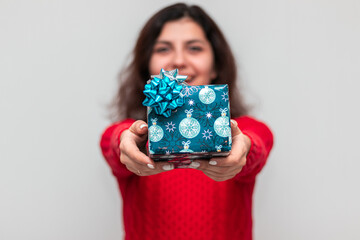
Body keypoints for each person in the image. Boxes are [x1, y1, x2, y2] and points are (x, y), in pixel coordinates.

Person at [100, 3, 273, 240]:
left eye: (194, 48)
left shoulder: (244, 129)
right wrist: (125, 142)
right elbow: (112, 140)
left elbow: (257, 142)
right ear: (147, 66)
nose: (178, 61)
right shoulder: (134, 135)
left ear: (216, 65)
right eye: (163, 49)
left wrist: (244, 149)